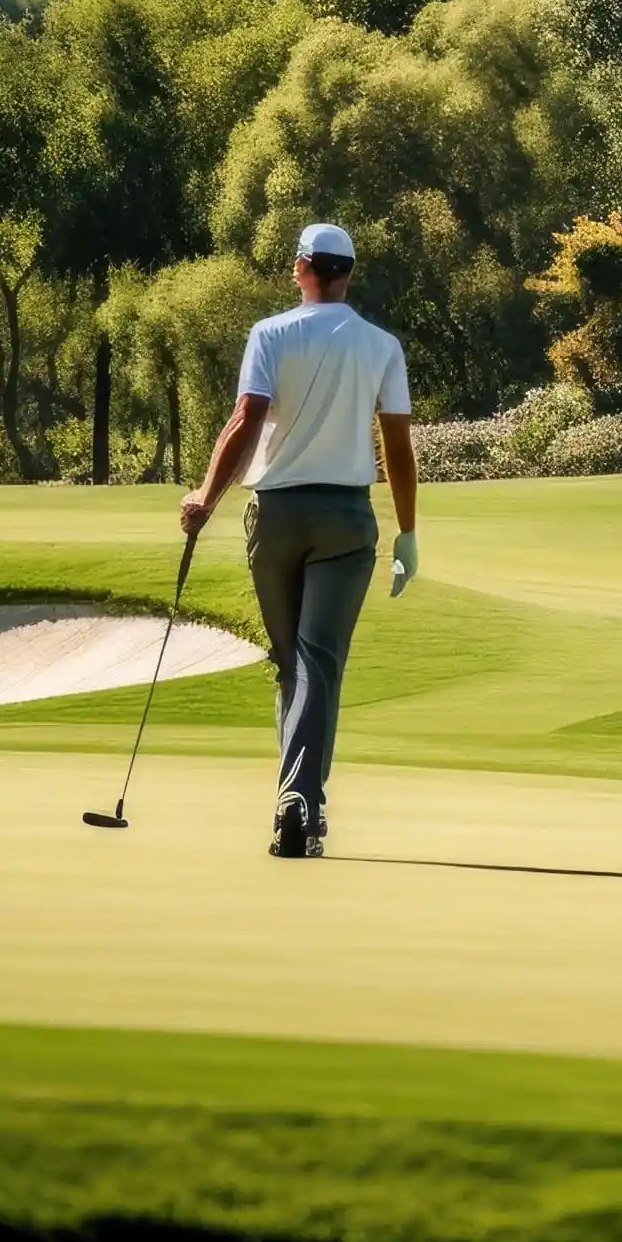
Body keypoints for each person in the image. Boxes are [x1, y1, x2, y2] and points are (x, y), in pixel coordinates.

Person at [180, 221, 417, 859]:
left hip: (277, 515)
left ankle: (298, 799)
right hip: (345, 517)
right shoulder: (381, 345)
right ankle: (301, 800)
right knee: (316, 661)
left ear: (305, 268)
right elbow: (396, 444)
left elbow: (247, 419)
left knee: (293, 662)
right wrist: (408, 531)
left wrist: (205, 497)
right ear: (348, 273)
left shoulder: (271, 333)